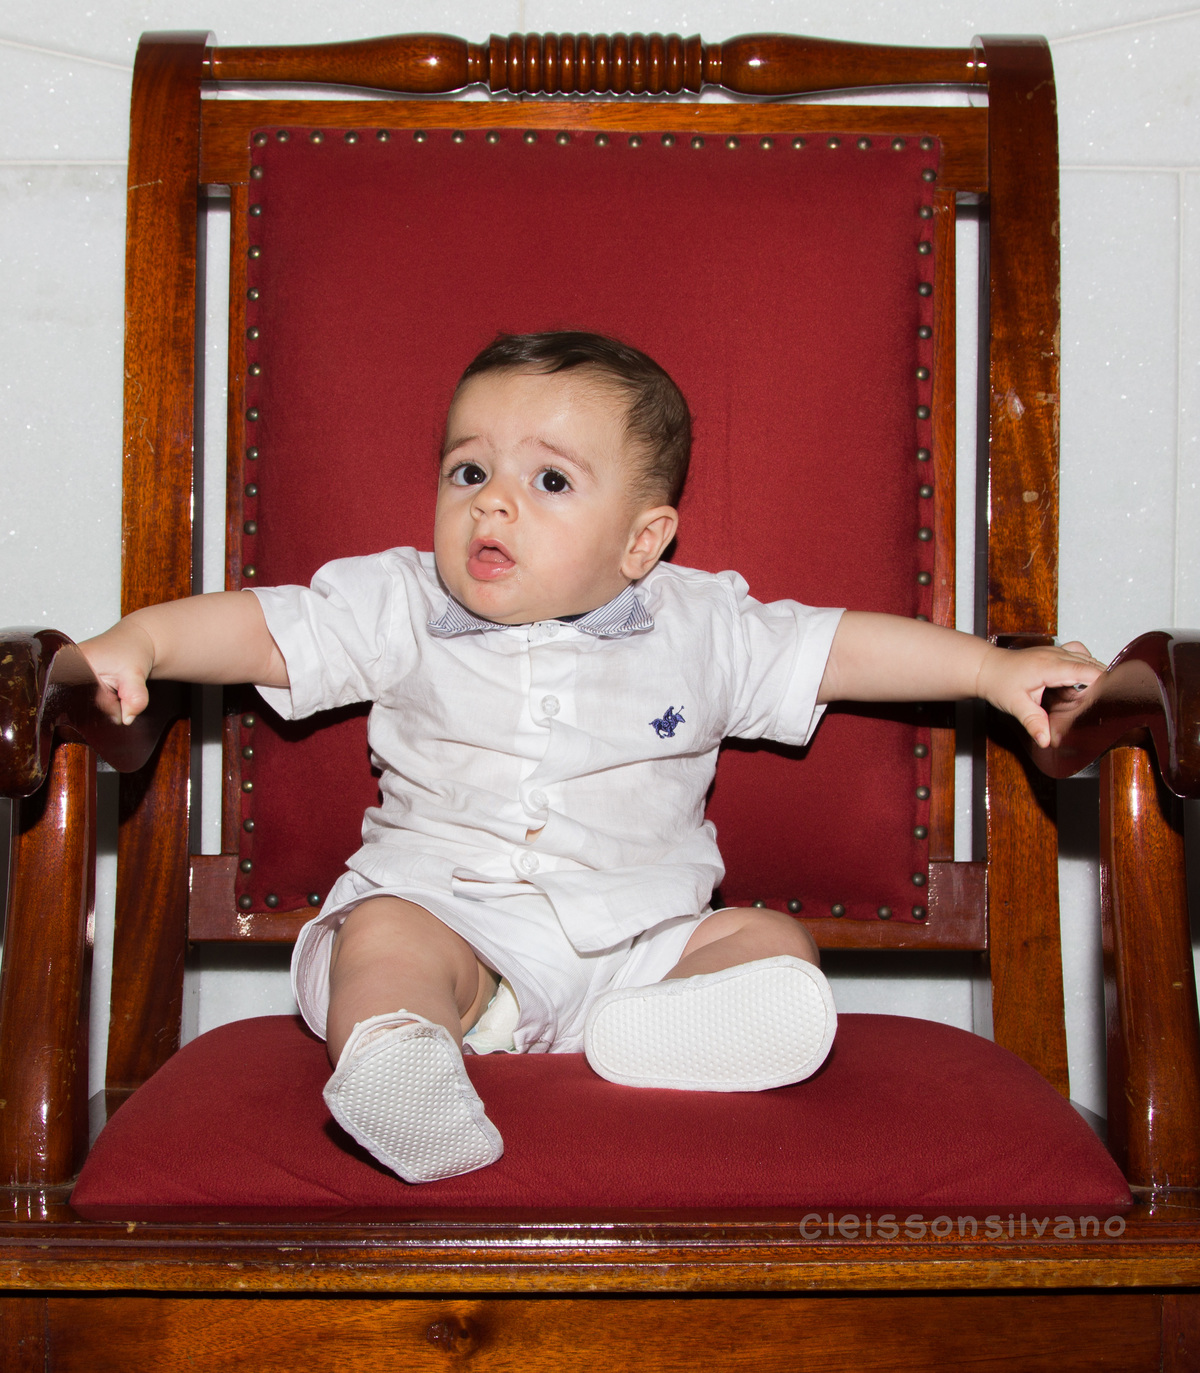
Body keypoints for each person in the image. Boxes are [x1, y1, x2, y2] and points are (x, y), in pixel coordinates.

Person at [79, 331, 1104, 1186]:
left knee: (767, 937)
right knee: (383, 939)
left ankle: (676, 1028)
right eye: (469, 471)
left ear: (642, 540)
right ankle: (399, 1062)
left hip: (640, 944)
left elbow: (840, 649)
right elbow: (262, 629)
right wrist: (144, 642)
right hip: (449, 916)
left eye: (550, 480)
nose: (492, 503)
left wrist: (988, 668)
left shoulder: (704, 624)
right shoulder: (396, 601)